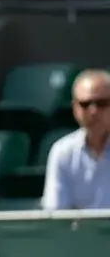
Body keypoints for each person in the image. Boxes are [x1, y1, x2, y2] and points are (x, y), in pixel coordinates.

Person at [42, 69, 110, 210]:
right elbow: (56, 215)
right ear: (75, 108)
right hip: (79, 232)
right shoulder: (62, 151)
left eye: (101, 103)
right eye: (85, 104)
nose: (93, 111)